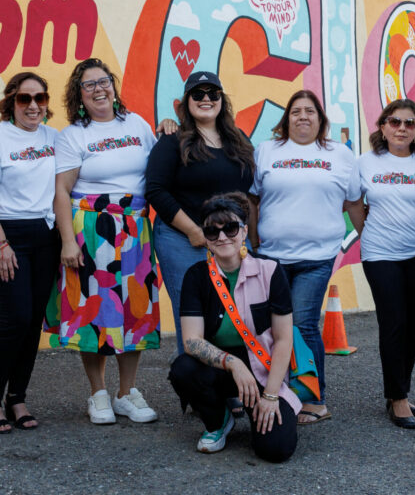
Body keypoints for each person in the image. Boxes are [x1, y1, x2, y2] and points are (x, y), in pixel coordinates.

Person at [52, 58, 160, 425]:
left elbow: (158, 166)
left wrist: (171, 127)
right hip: (93, 231)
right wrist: (68, 242)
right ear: (79, 95)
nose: (99, 89)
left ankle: (126, 393)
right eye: (89, 85)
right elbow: (62, 191)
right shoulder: (73, 136)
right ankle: (97, 393)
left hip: (135, 230)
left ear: (114, 87)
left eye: (104, 82)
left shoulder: (138, 125)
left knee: (135, 311)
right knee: (96, 312)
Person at [250, 90, 357, 424]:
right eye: (295, 111)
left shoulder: (339, 154)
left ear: (320, 119)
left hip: (317, 257)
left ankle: (313, 399)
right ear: (286, 119)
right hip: (271, 257)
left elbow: (352, 200)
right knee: (273, 328)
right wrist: (254, 239)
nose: (303, 117)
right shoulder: (266, 151)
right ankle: (279, 392)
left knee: (304, 324)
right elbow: (253, 200)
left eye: (310, 111)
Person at [169, 193, 298, 461]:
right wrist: (233, 363)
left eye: (230, 228)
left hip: (262, 370)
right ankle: (218, 421)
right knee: (183, 368)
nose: (222, 237)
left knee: (276, 450)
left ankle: (258, 412)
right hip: (221, 368)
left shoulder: (270, 271)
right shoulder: (196, 276)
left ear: (244, 231)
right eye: (212, 231)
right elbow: (192, 340)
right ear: (205, 237)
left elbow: (284, 340)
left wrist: (271, 396)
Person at [0, 72, 60, 433]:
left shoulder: (54, 138)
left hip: (45, 236)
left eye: (40, 98)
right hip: (8, 235)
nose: (33, 105)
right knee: (15, 320)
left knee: (33, 322)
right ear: (11, 102)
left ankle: (17, 397)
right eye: (25, 99)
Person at [146, 71, 255, 357]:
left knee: (237, 312)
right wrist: (194, 231)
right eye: (198, 94)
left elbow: (248, 191)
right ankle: (201, 392)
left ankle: (234, 387)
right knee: (194, 313)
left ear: (221, 100)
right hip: (183, 239)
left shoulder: (239, 139)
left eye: (213, 93)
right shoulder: (172, 141)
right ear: (186, 102)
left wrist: (245, 235)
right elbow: (156, 190)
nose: (206, 99)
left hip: (231, 238)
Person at [346, 99, 415, 430]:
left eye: (409, 123)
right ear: (382, 127)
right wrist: (366, 234)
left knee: (412, 325)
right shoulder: (366, 162)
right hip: (380, 254)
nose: (401, 128)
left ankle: (401, 391)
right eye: (394, 122)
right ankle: (397, 398)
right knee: (393, 322)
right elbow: (354, 203)